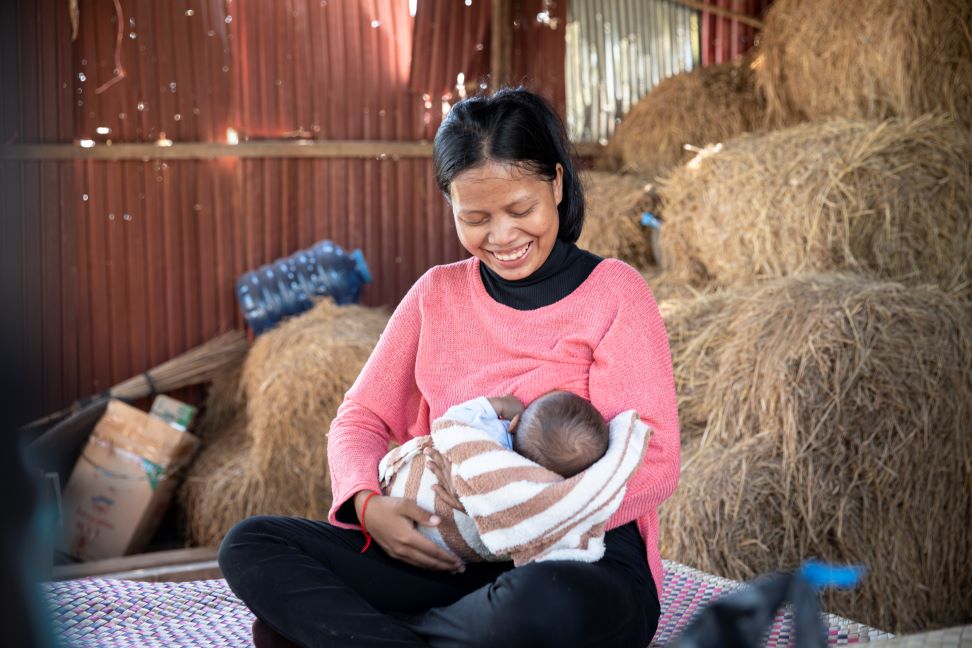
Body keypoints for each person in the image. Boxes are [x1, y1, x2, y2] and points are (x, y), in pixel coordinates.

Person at [218, 87, 680, 648]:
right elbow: (359, 419)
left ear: (557, 184)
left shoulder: (614, 293)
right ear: (451, 206)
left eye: (520, 210)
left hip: (579, 556)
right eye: (476, 218)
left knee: (539, 605)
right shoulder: (435, 295)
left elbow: (653, 462)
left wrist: (525, 516)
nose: (503, 236)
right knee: (251, 544)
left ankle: (372, 637)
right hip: (450, 555)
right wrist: (369, 505)